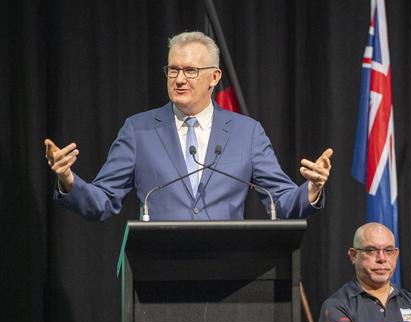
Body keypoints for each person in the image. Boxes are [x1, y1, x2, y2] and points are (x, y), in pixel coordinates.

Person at [44, 31, 332, 221]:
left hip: (230, 277)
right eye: (173, 69)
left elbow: (280, 201)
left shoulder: (247, 133)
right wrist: (69, 180)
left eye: (191, 70)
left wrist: (312, 188)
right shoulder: (138, 130)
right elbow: (102, 202)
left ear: (214, 77)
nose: (179, 79)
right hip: (157, 276)